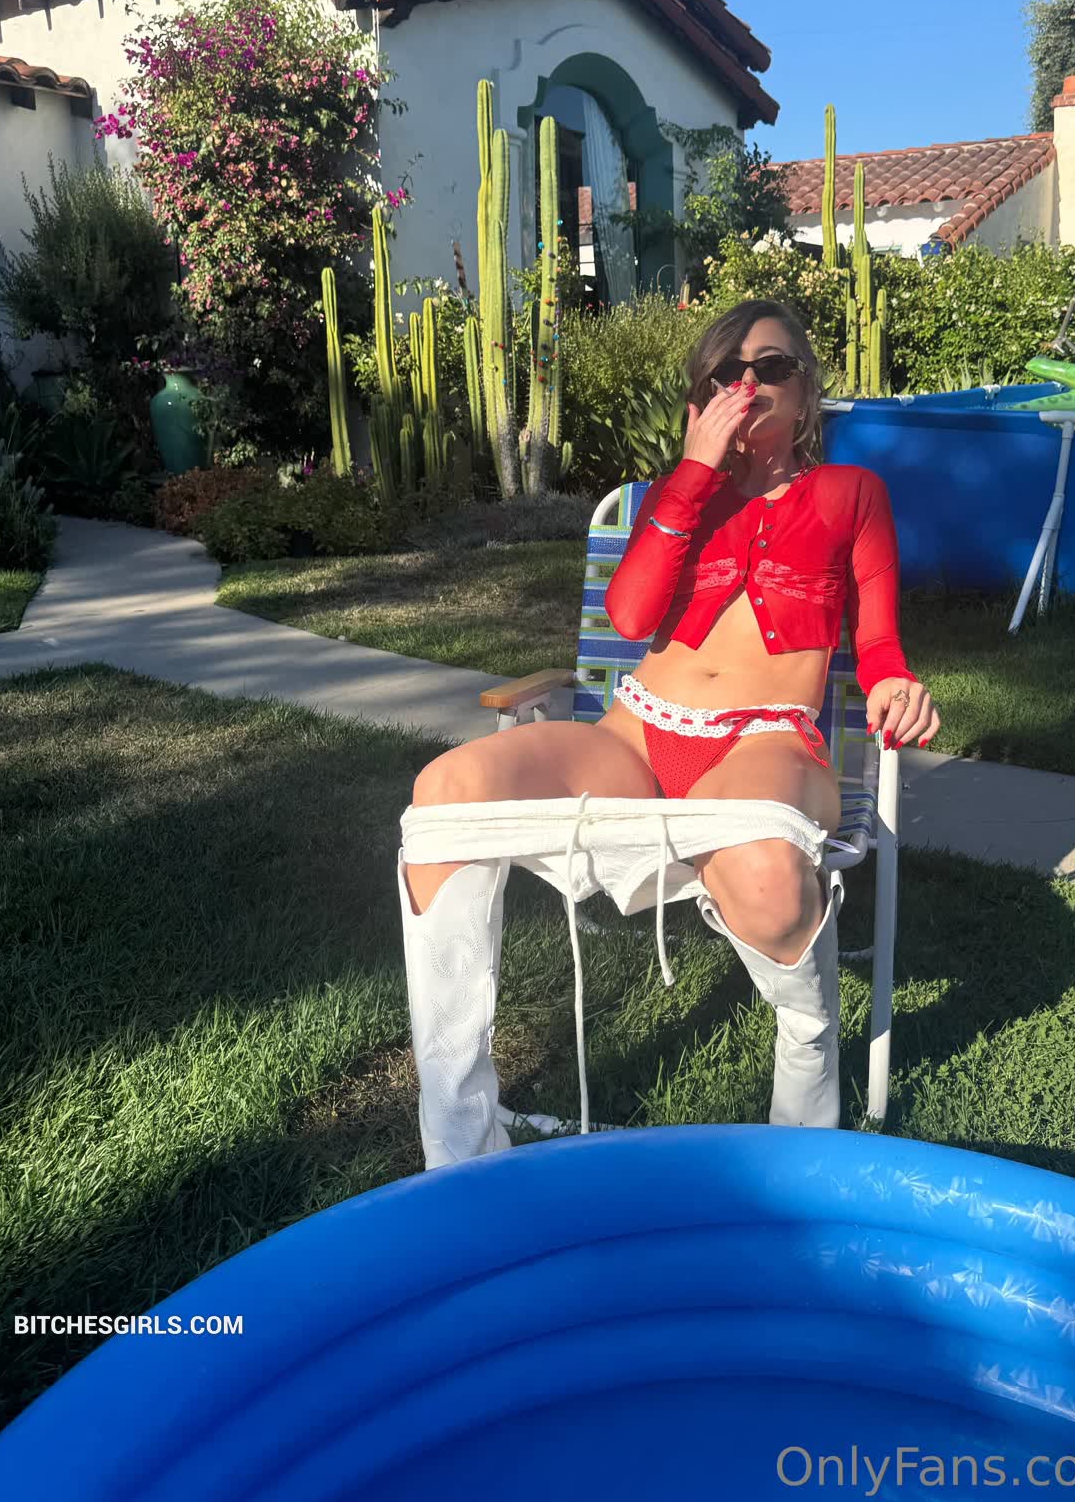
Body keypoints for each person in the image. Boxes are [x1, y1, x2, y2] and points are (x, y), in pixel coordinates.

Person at [400, 297, 940, 1168]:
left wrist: (895, 686)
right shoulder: (671, 497)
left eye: (771, 367)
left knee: (766, 875)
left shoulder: (851, 494)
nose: (748, 384)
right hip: (638, 733)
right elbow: (630, 615)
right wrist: (690, 476)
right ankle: (460, 1145)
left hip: (766, 740)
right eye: (727, 372)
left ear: (807, 392)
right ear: (701, 396)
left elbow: (877, 644)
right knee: (445, 794)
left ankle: (803, 1122)